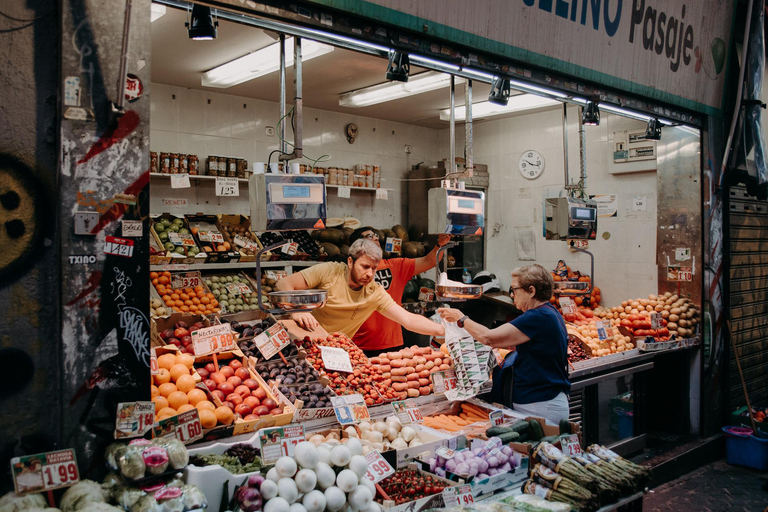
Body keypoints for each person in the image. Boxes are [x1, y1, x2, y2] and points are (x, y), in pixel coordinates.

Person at [437, 264, 570, 425]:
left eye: (514, 289)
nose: (512, 295)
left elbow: (488, 338)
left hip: (540, 404)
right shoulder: (550, 312)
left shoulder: (538, 316)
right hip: (545, 400)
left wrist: (461, 318)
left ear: (532, 291)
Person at [276, 238, 444, 339]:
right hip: (304, 341)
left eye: (374, 268)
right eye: (365, 267)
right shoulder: (329, 271)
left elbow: (408, 320)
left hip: (336, 350)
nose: (369, 274)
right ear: (350, 262)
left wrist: (444, 330)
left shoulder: (374, 292)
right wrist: (297, 310)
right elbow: (283, 284)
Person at [348, 227, 451, 356]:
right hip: (358, 345)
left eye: (375, 235)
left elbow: (428, 261)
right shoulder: (350, 271)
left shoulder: (395, 266)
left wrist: (439, 245)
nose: (375, 238)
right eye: (369, 236)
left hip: (392, 343)